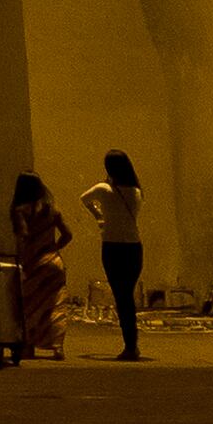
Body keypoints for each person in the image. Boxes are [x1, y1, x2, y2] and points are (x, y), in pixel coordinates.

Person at [87, 151, 149, 359]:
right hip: (133, 246)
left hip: (112, 246)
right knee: (127, 295)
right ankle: (132, 343)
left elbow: (84, 199)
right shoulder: (136, 191)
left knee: (120, 295)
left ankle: (130, 345)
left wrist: (99, 217)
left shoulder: (104, 189)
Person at [4, 174, 72, 361]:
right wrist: (54, 249)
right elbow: (68, 235)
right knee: (56, 306)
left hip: (34, 264)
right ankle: (58, 347)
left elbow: (23, 236)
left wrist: (23, 256)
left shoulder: (21, 211)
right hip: (54, 261)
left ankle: (29, 346)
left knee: (31, 307)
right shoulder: (52, 209)